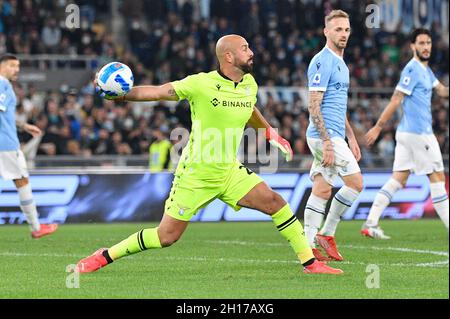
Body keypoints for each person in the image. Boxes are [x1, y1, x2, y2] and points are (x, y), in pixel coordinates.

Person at [75, 35, 343, 275]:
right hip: (196, 174)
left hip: (229, 171)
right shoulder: (200, 84)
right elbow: (158, 92)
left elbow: (249, 109)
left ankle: (310, 263)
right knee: (166, 237)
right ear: (228, 56)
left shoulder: (250, 83)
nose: (251, 52)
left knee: (275, 202)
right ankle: (104, 256)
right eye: (245, 48)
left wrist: (271, 134)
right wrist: (121, 96)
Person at [362, 28, 449, 239]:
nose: (426, 46)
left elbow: (443, 91)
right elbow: (396, 99)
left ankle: (371, 223)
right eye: (421, 43)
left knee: (398, 180)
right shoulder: (412, 69)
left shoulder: (426, 71)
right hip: (419, 134)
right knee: (437, 177)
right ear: (412, 46)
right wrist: (378, 126)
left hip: (406, 135)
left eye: (428, 42)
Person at [303, 10, 363, 262]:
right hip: (323, 136)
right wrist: (328, 142)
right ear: (326, 31)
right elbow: (314, 105)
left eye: (346, 30)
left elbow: (338, 106)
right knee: (356, 184)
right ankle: (326, 233)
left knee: (323, 189)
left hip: (334, 135)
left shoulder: (342, 63)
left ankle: (307, 246)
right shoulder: (322, 60)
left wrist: (352, 137)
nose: (343, 34)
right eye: (338, 29)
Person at [0, 54, 58, 238]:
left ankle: (36, 226)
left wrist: (24, 125)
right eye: (12, 65)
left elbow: (5, 115)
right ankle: (36, 227)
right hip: (6, 144)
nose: (16, 69)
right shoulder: (2, 84)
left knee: (21, 180)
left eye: (17, 66)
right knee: (22, 180)